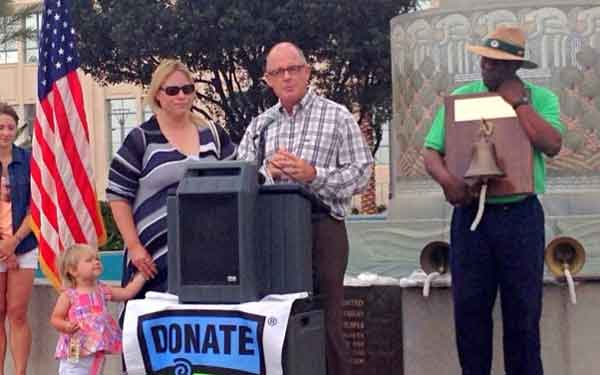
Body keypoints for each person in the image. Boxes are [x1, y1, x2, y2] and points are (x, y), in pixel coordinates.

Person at [423, 26, 564, 375]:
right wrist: (448, 183)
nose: (486, 66)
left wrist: (519, 104)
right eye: (484, 59)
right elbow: (430, 152)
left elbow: (552, 144)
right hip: (472, 219)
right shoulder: (462, 97)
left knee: (523, 315)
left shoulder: (540, 98)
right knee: (470, 315)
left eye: (496, 62)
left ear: (514, 66)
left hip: (521, 218)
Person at [238, 42, 373, 375]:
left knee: (328, 321)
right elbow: (240, 174)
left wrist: (313, 175)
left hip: (321, 227)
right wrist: (266, 174)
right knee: (278, 319)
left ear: (307, 72)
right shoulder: (261, 126)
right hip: (271, 231)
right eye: (277, 72)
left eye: (293, 69)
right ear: (267, 79)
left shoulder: (337, 116)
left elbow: (362, 173)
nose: (286, 77)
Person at [106, 59, 236, 298]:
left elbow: (236, 179)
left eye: (187, 89)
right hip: (152, 258)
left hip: (209, 252)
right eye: (172, 90)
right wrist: (134, 247)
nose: (181, 96)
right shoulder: (141, 138)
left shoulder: (214, 134)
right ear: (158, 95)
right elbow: (117, 194)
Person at [50, 243, 146, 375]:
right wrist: (65, 326)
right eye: (89, 260)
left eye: (97, 259)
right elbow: (56, 318)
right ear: (73, 270)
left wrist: (142, 276)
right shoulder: (69, 295)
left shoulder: (102, 290)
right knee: (72, 370)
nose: (96, 262)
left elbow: (127, 292)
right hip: (75, 348)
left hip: (96, 350)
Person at [0, 103, 38, 375]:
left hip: (23, 245)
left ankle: (20, 372)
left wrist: (13, 242)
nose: (5, 132)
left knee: (17, 312)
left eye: (10, 127)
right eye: (0, 127)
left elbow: (37, 207)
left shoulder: (29, 160)